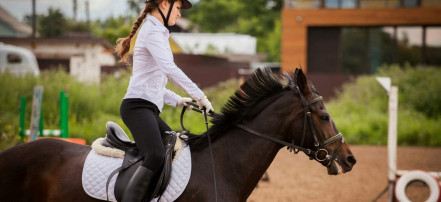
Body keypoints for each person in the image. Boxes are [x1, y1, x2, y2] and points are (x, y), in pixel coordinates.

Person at [114, 0, 214, 201]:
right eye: (178, 8)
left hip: (147, 108)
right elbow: (170, 69)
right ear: (165, 4)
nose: (179, 15)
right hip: (136, 108)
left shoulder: (158, 33)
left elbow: (155, 84)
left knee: (174, 145)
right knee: (156, 156)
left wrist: (179, 100)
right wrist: (199, 96)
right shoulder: (151, 32)